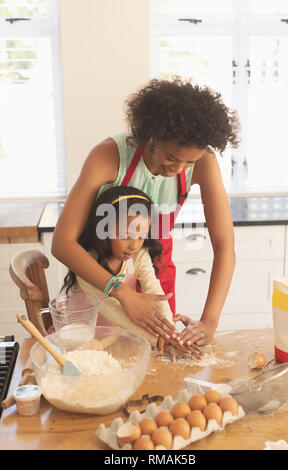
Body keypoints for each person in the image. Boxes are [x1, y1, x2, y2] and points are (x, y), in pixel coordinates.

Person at [52, 76, 240, 352]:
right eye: (172, 157)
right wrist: (123, 292)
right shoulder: (109, 156)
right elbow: (63, 244)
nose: (178, 168)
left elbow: (225, 247)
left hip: (156, 270)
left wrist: (209, 322)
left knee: (162, 359)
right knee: (106, 356)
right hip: (102, 274)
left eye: (190, 161)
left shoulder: (205, 164)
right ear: (153, 134)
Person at [60, 185, 200, 361]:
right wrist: (159, 340)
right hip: (83, 342)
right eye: (125, 236)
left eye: (141, 236)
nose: (134, 245)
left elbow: (155, 292)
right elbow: (113, 311)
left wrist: (171, 335)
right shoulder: (87, 264)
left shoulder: (138, 256)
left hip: (118, 338)